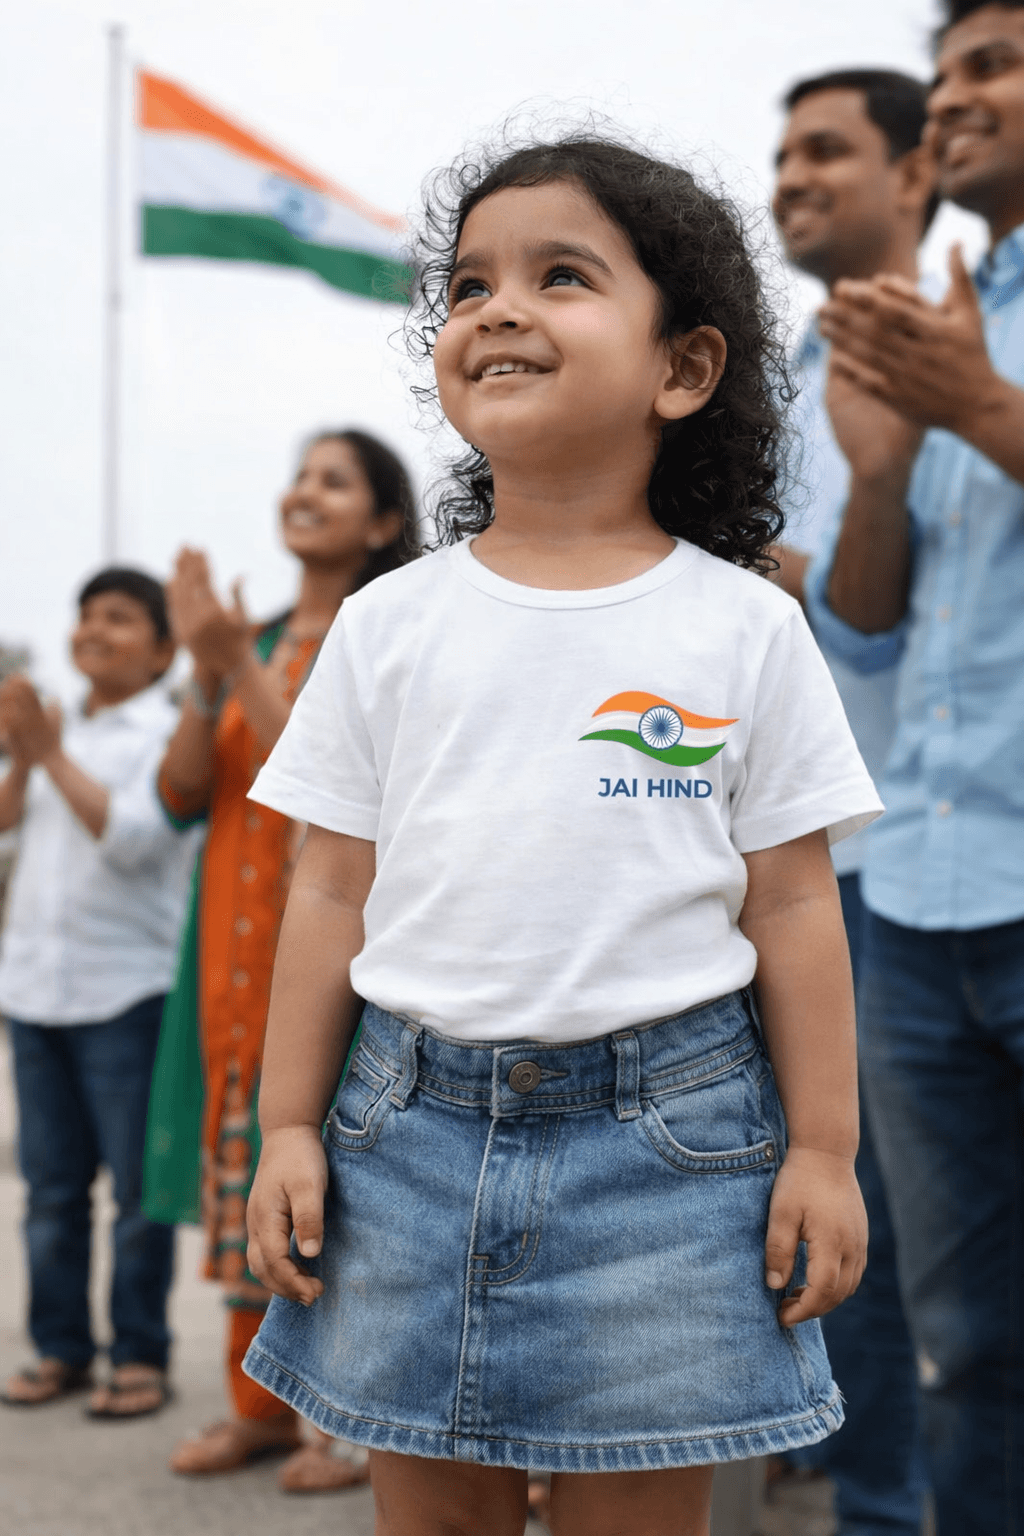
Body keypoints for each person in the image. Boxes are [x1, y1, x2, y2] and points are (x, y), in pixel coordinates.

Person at [241, 130, 884, 1536]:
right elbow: (328, 890)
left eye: (563, 275)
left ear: (683, 369)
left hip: (675, 1159)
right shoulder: (387, 622)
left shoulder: (746, 627)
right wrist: (287, 1126)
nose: (498, 310)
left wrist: (823, 1151)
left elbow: (792, 905)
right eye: (469, 286)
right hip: (402, 1140)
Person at [805, 4, 1024, 1528]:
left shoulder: (959, 350)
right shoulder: (944, 308)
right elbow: (871, 632)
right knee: (966, 1352)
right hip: (924, 896)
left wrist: (983, 412)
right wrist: (882, 476)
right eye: (944, 75)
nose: (955, 102)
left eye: (994, 64)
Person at [156, 430, 417, 1491]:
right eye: (298, 475)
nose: (303, 492)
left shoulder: (384, 633)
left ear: (383, 523)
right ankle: (257, 1406)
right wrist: (208, 669)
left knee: (343, 1172)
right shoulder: (244, 636)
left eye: (333, 480)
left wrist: (233, 667)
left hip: (337, 947)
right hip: (229, 946)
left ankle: (347, 1422)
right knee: (239, 1165)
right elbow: (182, 794)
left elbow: (323, 778)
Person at [769, 69, 936, 1535]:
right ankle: (859, 1471)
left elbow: (857, 614)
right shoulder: (781, 371)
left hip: (919, 855)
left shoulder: (961, 337)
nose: (791, 175)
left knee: (909, 1230)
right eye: (782, 153)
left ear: (917, 166)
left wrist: (783, 597)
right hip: (807, 860)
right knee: (833, 1202)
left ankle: (888, 1493)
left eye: (827, 148)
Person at [0, 568, 201, 1417]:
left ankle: (141, 1356)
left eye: (119, 619)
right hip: (35, 989)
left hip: (127, 993)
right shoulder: (57, 728)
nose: (93, 632)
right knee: (50, 1189)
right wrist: (24, 759)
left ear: (162, 649)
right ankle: (61, 1350)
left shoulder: (164, 733)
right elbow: (8, 821)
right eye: (86, 617)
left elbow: (133, 843)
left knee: (136, 1190)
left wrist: (45, 754)